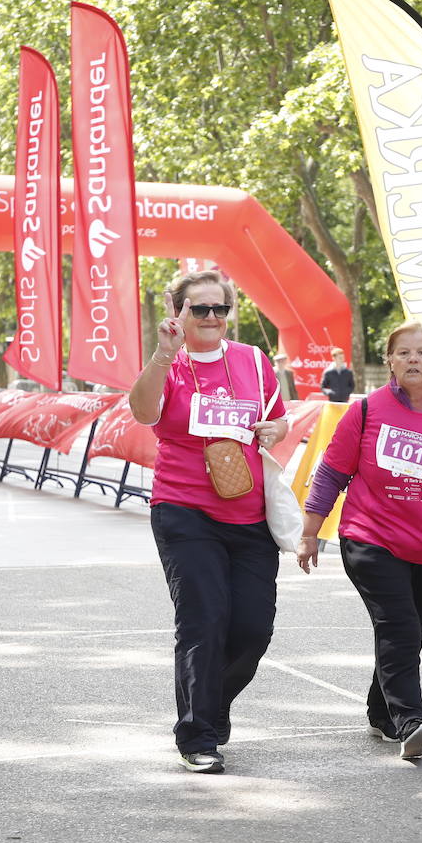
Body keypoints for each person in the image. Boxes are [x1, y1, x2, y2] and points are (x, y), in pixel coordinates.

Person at [297, 322, 422, 761]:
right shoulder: (367, 411)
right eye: (403, 352)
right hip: (370, 539)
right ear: (389, 359)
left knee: (409, 632)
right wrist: (309, 535)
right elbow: (331, 473)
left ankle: (380, 711)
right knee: (400, 627)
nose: (412, 359)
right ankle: (410, 720)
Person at [129, 270, 288, 774]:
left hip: (249, 513)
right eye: (200, 309)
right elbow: (142, 411)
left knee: (252, 628)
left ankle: (212, 705)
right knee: (203, 620)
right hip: (184, 509)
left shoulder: (253, 360)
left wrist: (276, 427)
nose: (213, 318)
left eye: (221, 309)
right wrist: (162, 355)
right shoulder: (170, 364)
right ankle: (197, 734)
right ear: (179, 312)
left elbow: (279, 417)